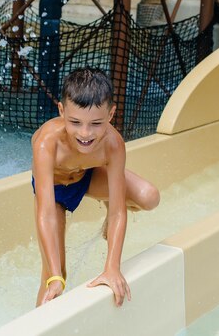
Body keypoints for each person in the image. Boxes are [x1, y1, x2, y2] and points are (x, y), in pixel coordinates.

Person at [31, 67, 160, 308]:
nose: (85, 133)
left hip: (87, 177)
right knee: (54, 275)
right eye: (75, 122)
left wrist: (112, 268)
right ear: (61, 111)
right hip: (55, 191)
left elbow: (119, 211)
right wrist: (56, 277)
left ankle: (106, 217)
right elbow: (46, 213)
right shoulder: (47, 143)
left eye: (96, 123)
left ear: (111, 114)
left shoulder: (113, 144)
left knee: (149, 196)